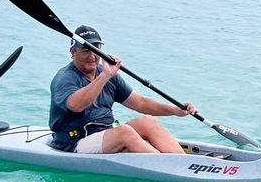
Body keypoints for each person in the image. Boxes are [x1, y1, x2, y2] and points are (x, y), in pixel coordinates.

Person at [49, 26, 197, 154]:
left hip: (105, 134)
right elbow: (76, 105)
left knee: (147, 121)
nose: (92, 57)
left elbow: (141, 103)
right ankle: (169, 166)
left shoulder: (108, 75)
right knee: (125, 132)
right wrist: (105, 76)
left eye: (96, 50)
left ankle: (182, 161)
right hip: (74, 141)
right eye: (86, 51)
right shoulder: (65, 78)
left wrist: (175, 110)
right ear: (73, 51)